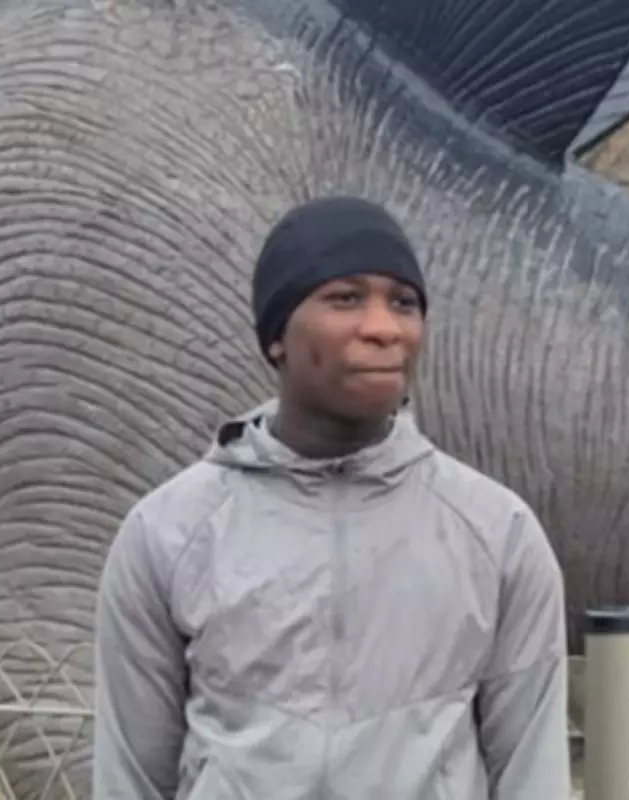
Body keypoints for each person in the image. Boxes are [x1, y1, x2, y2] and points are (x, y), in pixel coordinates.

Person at [91, 195, 571, 799]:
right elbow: (130, 777)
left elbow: (534, 774)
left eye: (404, 303)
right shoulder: (167, 532)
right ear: (276, 338)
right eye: (345, 298)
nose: (384, 327)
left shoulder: (498, 533)